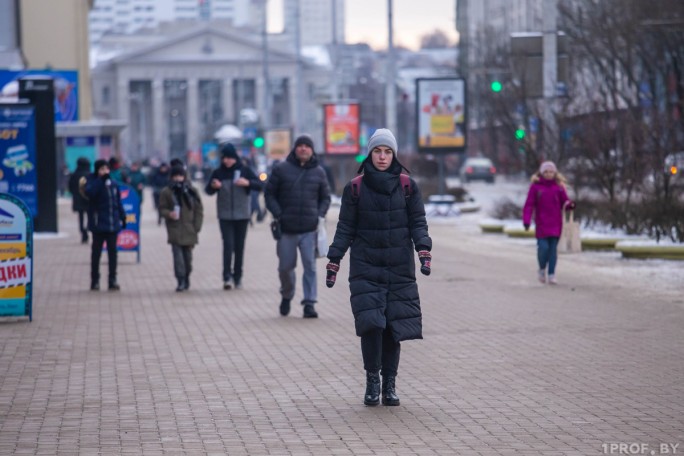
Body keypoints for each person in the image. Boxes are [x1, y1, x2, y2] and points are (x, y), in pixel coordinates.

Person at [325, 128, 432, 406]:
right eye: (377, 151)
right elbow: (345, 227)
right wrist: (335, 258)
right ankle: (372, 381)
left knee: (392, 327)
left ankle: (390, 384)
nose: (382, 157)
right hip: (366, 268)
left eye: (387, 152)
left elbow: (418, 222)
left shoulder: (408, 186)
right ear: (370, 153)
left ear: (393, 154)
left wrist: (423, 248)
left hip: (398, 268)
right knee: (372, 325)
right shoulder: (355, 188)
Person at [265, 135, 331, 318]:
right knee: (285, 268)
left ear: (312, 150)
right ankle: (287, 295)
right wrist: (278, 214)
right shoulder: (281, 169)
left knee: (310, 267)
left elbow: (325, 197)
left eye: (307, 146)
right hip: (286, 229)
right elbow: (269, 194)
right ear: (295, 149)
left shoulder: (319, 172)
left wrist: (320, 214)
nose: (303, 149)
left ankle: (309, 303)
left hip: (310, 230)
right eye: (300, 146)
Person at [205, 143, 262, 290]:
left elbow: (260, 185)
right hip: (224, 215)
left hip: (242, 214)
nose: (227, 161)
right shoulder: (218, 172)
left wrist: (247, 182)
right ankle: (227, 277)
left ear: (235, 158)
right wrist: (213, 186)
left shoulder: (245, 170)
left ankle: (238, 277)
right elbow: (208, 190)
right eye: (225, 158)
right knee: (228, 245)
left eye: (230, 158)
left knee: (239, 246)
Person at [522, 160, 576, 285]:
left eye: (551, 172)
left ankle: (551, 274)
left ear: (555, 173)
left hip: (556, 223)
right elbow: (529, 205)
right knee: (543, 248)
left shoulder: (559, 187)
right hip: (541, 224)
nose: (548, 174)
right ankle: (542, 269)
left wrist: (570, 205)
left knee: (553, 250)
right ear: (541, 173)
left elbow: (565, 202)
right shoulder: (535, 187)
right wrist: (526, 220)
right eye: (545, 172)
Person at [159, 164, 204, 292]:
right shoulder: (167, 192)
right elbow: (162, 208)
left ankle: (187, 276)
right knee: (178, 258)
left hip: (189, 229)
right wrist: (169, 214)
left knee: (188, 259)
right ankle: (180, 280)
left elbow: (199, 209)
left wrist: (196, 226)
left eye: (180, 176)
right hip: (175, 229)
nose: (178, 179)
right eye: (175, 176)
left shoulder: (191, 191)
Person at [85, 159, 126, 291]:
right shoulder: (92, 182)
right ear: (97, 171)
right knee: (96, 254)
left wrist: (122, 216)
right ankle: (95, 280)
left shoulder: (113, 184)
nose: (105, 172)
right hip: (98, 225)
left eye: (107, 169)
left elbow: (117, 202)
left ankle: (112, 279)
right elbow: (90, 193)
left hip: (112, 224)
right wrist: (100, 181)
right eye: (102, 169)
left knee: (113, 253)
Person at [68, 157, 91, 243]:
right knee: (89, 216)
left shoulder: (74, 175)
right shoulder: (89, 174)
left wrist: (75, 193)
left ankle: (82, 231)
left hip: (78, 199)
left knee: (80, 217)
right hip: (88, 199)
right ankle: (87, 228)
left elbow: (70, 187)